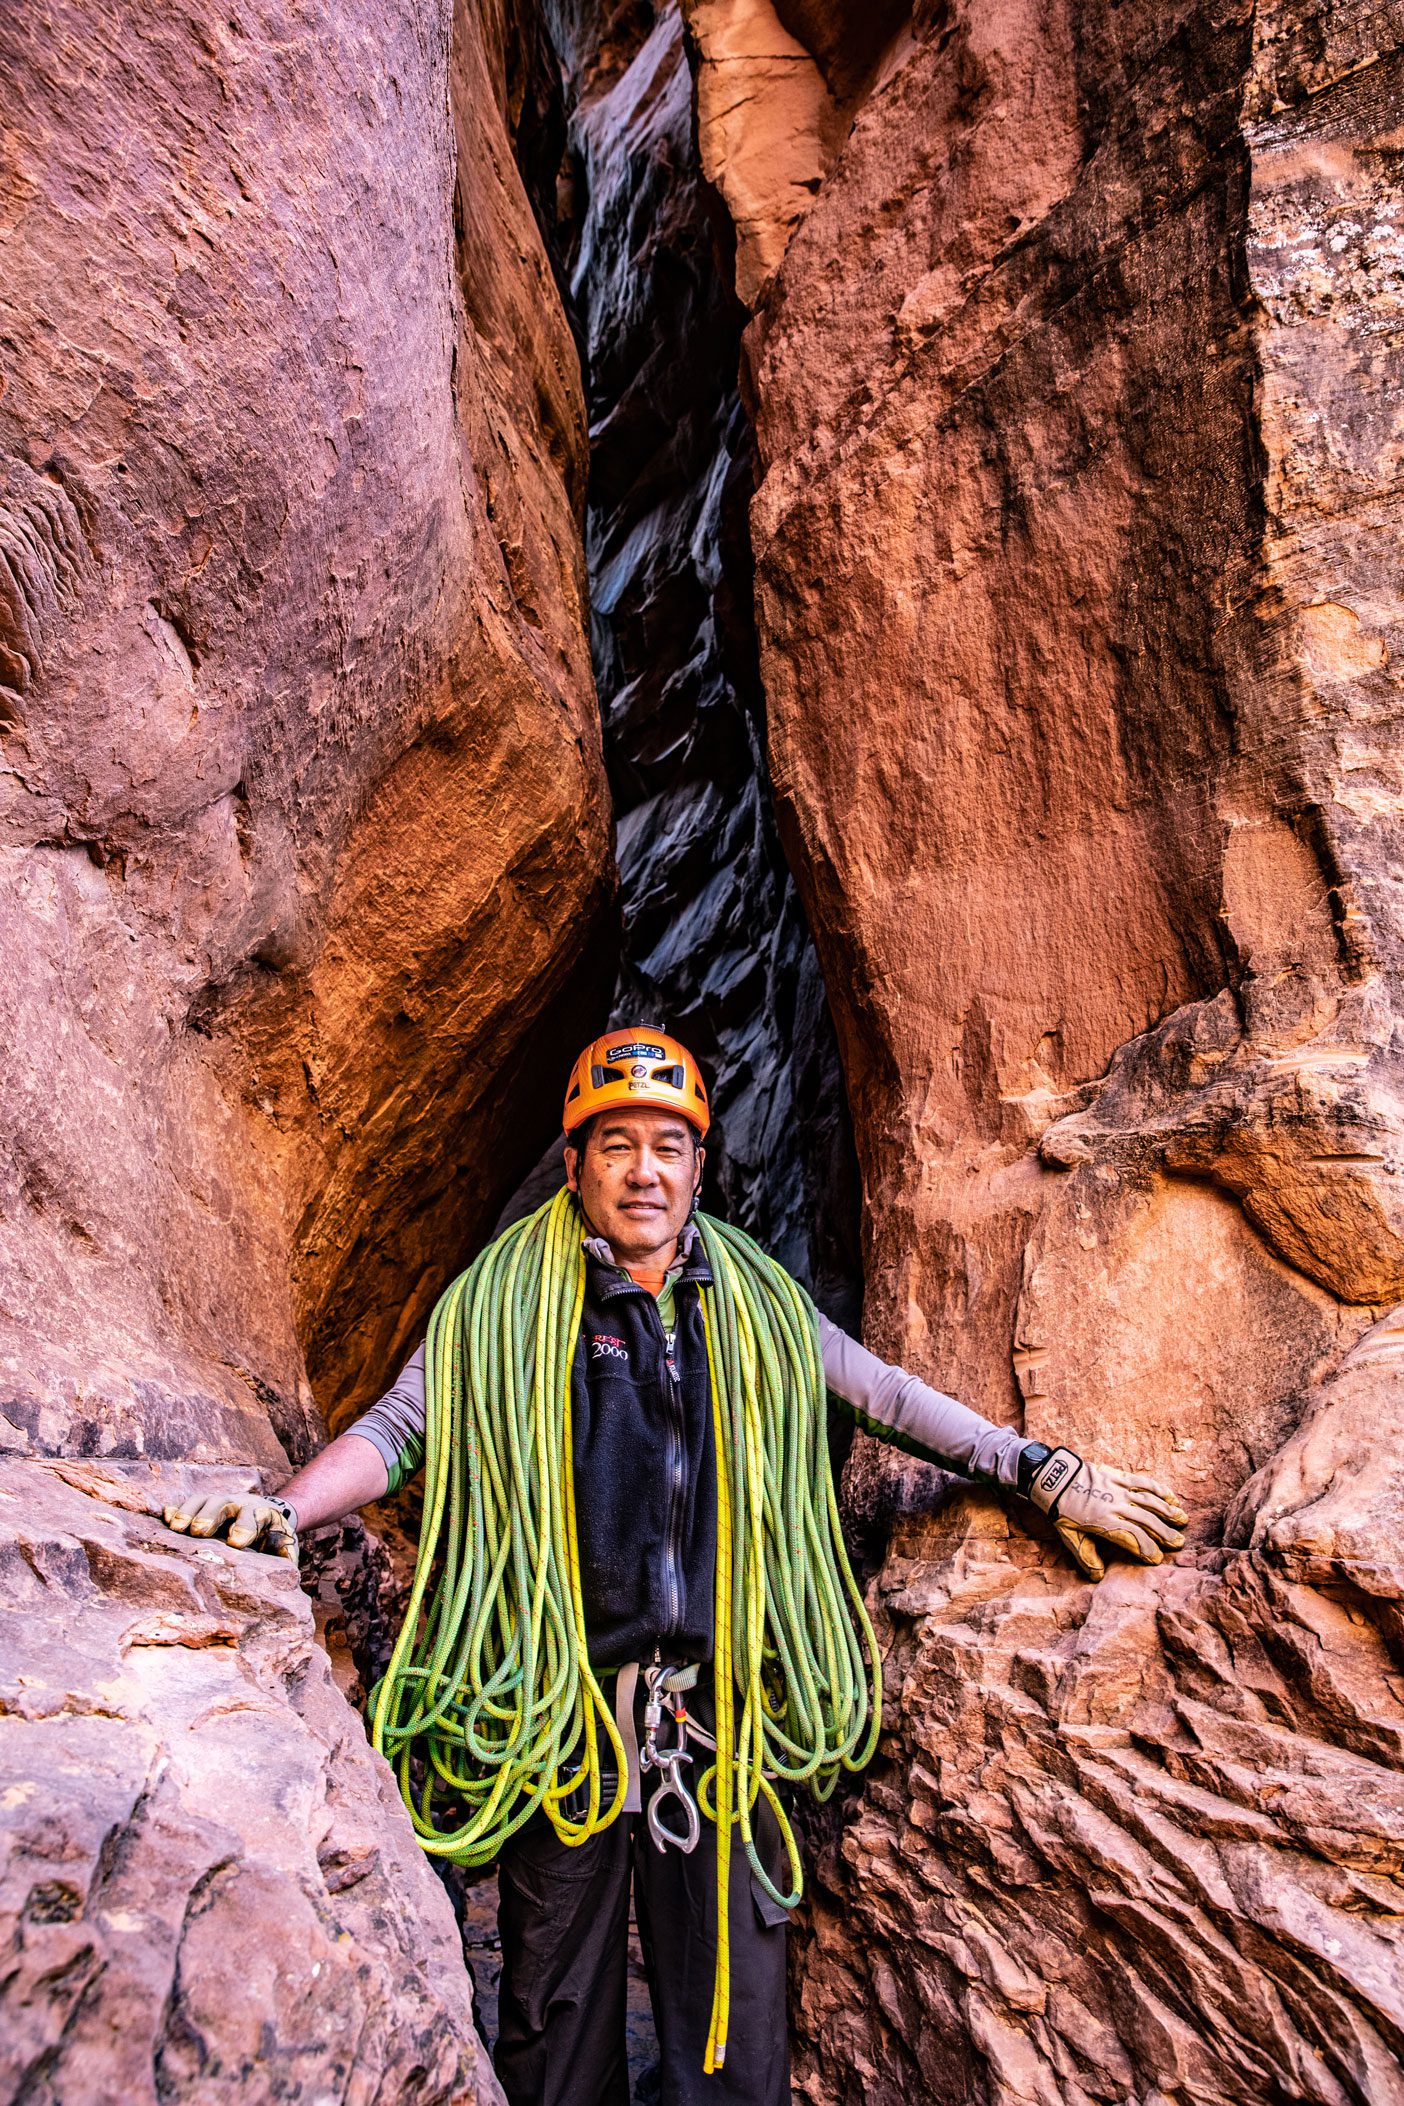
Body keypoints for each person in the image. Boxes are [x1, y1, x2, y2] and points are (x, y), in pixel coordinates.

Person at [165, 1027, 1187, 2106]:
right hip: (558, 1732)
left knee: (730, 2056)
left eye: (667, 1145)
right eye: (615, 1145)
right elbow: (400, 1426)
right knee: (557, 2049)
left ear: (700, 1165)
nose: (643, 1170)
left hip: (722, 1734)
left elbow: (888, 1396)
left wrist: (1033, 1468)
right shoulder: (501, 1307)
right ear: (575, 1165)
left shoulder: (756, 1307)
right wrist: (279, 1509)